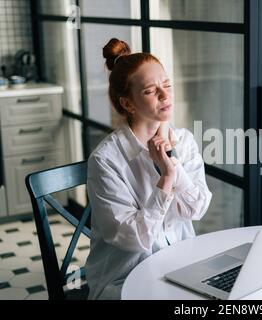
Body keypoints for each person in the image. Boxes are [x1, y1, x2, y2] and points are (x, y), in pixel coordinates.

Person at [85, 38, 212, 299]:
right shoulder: (105, 160)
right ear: (128, 104)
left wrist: (173, 162)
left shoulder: (184, 140)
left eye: (167, 85)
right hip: (124, 279)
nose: (165, 95)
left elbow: (197, 208)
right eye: (150, 91)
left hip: (181, 269)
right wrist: (166, 179)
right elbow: (135, 239)